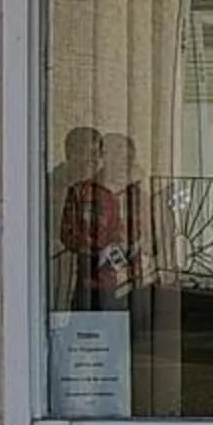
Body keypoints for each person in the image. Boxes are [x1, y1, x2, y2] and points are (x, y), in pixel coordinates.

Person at [60, 131, 145, 311]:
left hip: (132, 285)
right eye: (114, 155)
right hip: (91, 286)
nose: (121, 162)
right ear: (102, 156)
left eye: (126, 157)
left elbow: (145, 237)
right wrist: (100, 248)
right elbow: (67, 235)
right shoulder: (81, 193)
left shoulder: (138, 196)